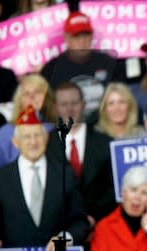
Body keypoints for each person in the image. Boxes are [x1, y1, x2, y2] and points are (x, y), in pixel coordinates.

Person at [0, 105, 89, 251]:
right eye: (27, 137)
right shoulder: (0, 178)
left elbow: (80, 223)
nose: (33, 142)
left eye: (37, 135)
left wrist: (65, 238)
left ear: (46, 138)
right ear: (15, 142)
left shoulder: (65, 174)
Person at [46, 81, 117, 224]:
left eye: (74, 103)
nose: (69, 109)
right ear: (55, 108)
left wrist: (93, 218)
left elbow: (112, 189)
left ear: (84, 105)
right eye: (64, 104)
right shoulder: (45, 144)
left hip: (100, 225)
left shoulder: (106, 143)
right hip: (58, 229)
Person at [40, 11, 123, 122]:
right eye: (76, 36)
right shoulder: (51, 69)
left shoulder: (109, 63)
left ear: (92, 35)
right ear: (66, 38)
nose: (82, 41)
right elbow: (46, 108)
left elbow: (122, 97)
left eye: (86, 35)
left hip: (105, 125)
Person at [0, 74, 56, 166]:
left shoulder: (57, 130)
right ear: (19, 100)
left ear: (47, 97)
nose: (31, 97)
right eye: (26, 93)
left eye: (37, 92)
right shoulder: (7, 131)